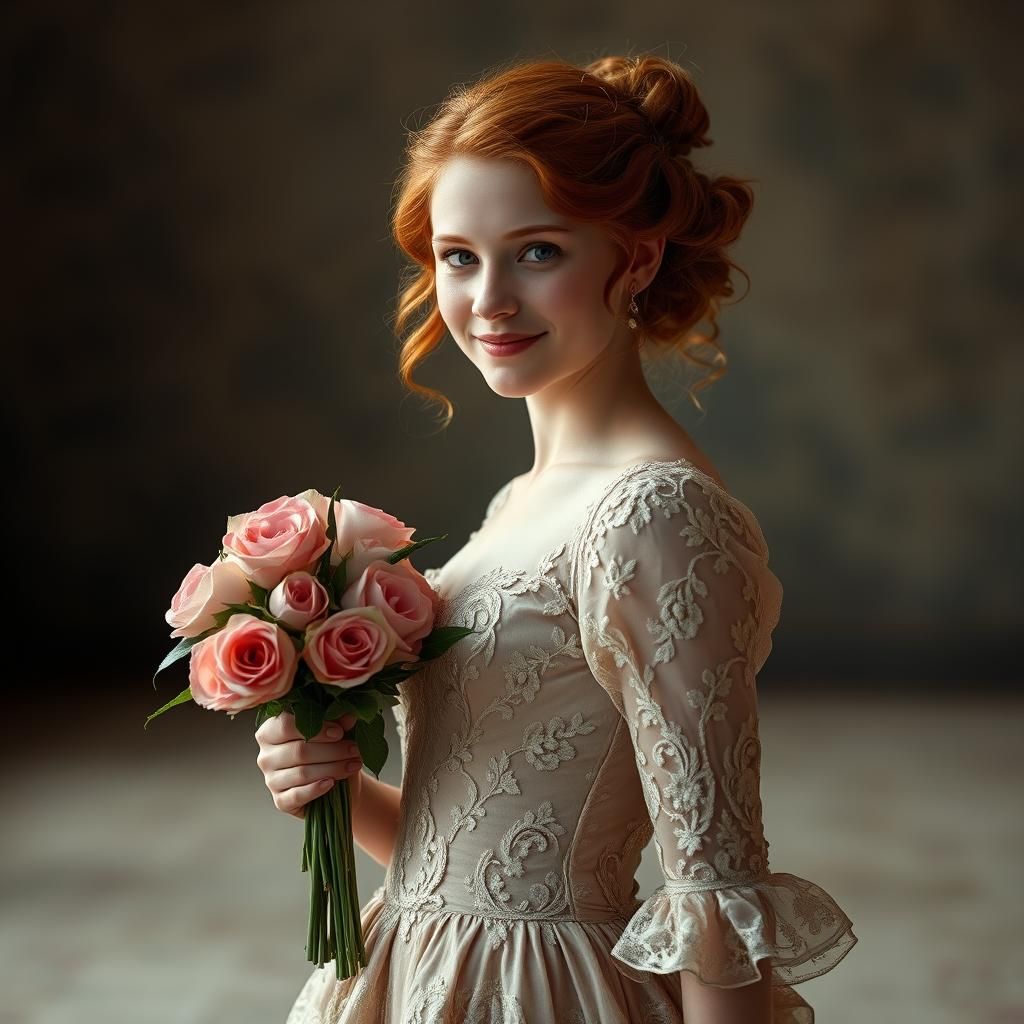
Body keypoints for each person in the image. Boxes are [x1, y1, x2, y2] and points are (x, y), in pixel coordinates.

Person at [256, 53, 857, 1024]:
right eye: (459, 256)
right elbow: (474, 862)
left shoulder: (656, 514)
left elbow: (712, 888)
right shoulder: (522, 501)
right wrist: (341, 788)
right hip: (421, 974)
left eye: (536, 252)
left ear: (637, 258)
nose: (487, 299)